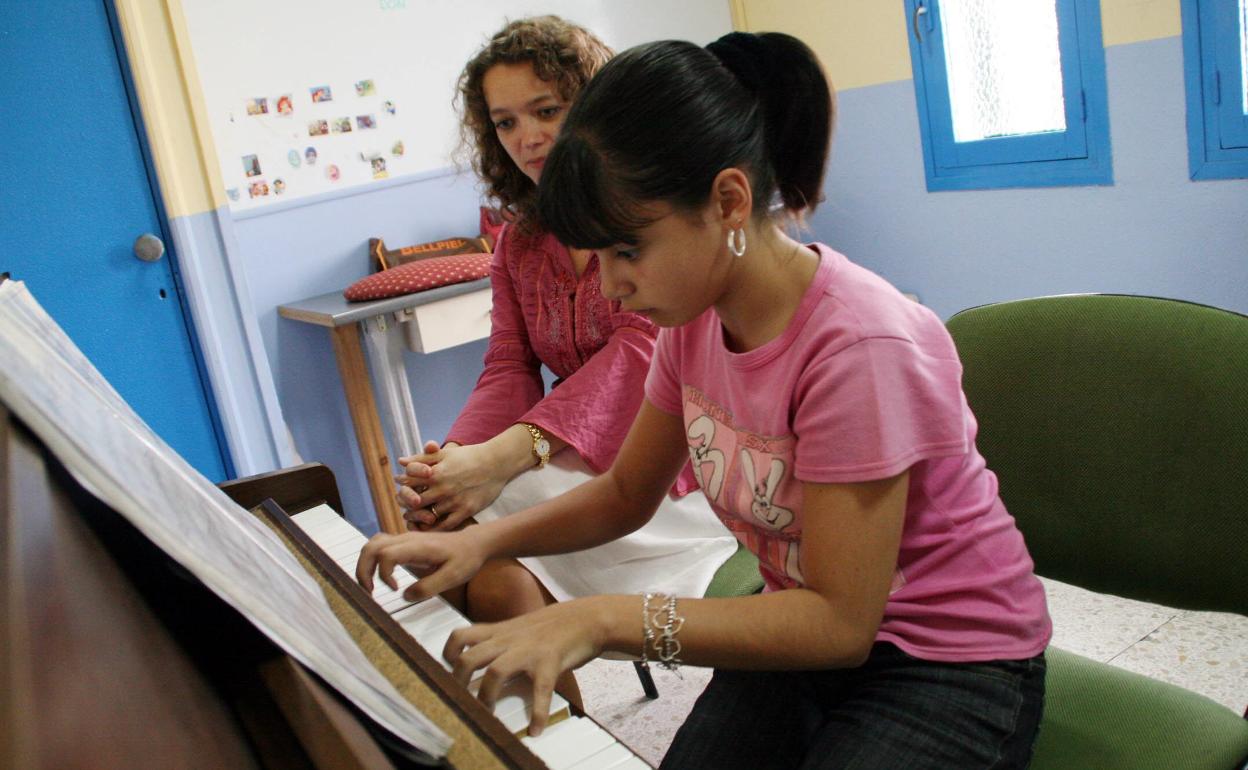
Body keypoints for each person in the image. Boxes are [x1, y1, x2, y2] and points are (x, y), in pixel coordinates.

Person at [361, 30, 1052, 768]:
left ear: (727, 201)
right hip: (806, 631)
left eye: (627, 251)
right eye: (598, 257)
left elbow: (842, 624)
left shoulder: (858, 346)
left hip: (947, 659)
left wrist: (600, 620)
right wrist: (477, 542)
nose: (610, 285)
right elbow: (627, 491)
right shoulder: (690, 323)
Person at [392, 16, 738, 706]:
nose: (527, 138)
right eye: (506, 122)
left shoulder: (651, 215)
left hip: (675, 476)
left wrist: (504, 458)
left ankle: (549, 736)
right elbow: (508, 366)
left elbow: (640, 351)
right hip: (576, 466)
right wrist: (456, 461)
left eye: (547, 110)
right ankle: (557, 740)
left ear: (598, 102)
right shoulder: (520, 244)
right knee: (465, 542)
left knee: (481, 527)